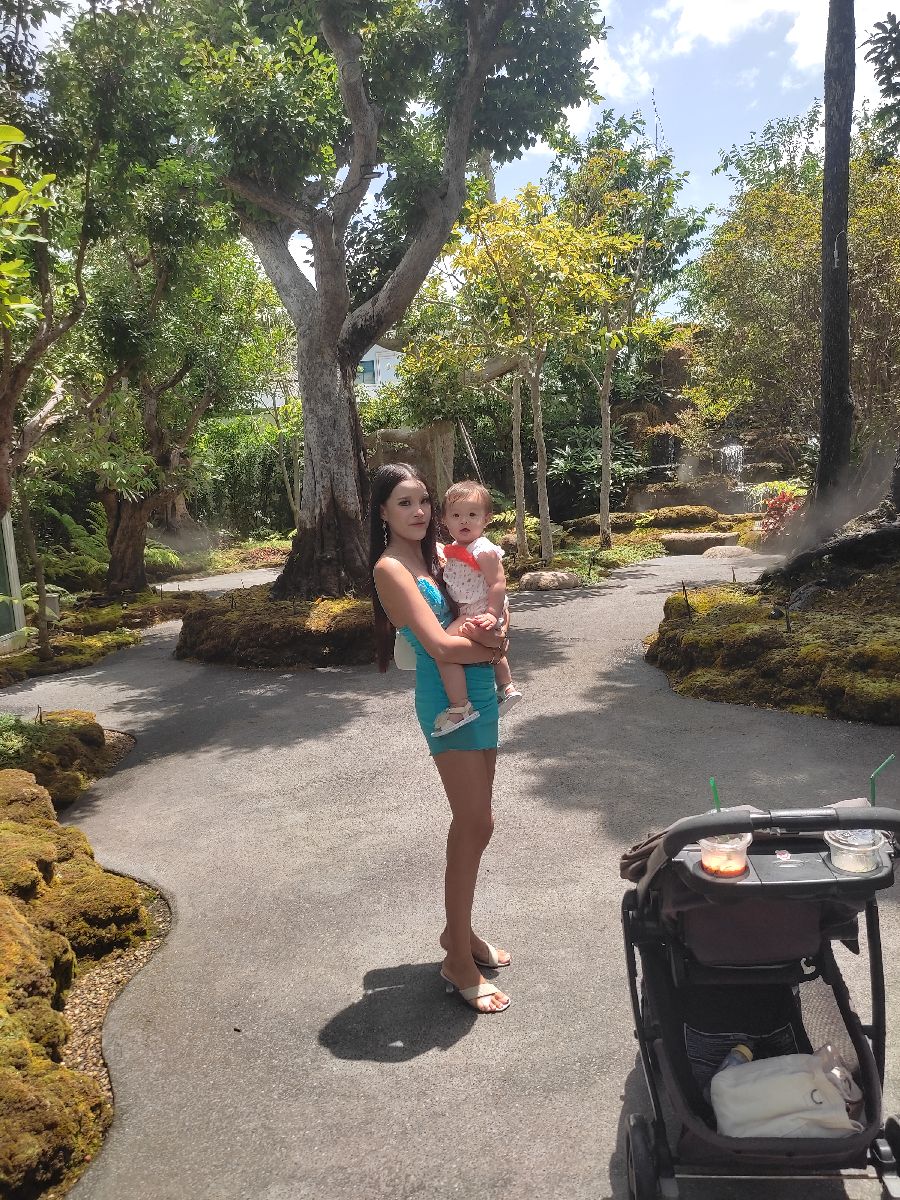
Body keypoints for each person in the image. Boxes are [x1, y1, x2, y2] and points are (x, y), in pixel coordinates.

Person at [370, 462, 512, 1015]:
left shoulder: (438, 553)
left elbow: (482, 603)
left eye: (424, 501)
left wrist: (497, 628)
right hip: (446, 699)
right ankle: (456, 958)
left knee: (481, 821)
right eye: (404, 503)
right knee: (474, 820)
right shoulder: (390, 568)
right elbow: (440, 646)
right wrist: (497, 648)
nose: (419, 511)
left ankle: (459, 934)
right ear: (383, 511)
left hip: (480, 691)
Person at [439, 480, 522, 729]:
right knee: (489, 645)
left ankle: (460, 706)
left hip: (480, 611)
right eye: (456, 515)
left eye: (472, 515)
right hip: (472, 610)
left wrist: (492, 613)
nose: (464, 520)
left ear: (486, 519)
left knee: (444, 650)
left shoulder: (483, 550)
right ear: (445, 520)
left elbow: (498, 583)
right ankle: (506, 687)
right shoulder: (454, 548)